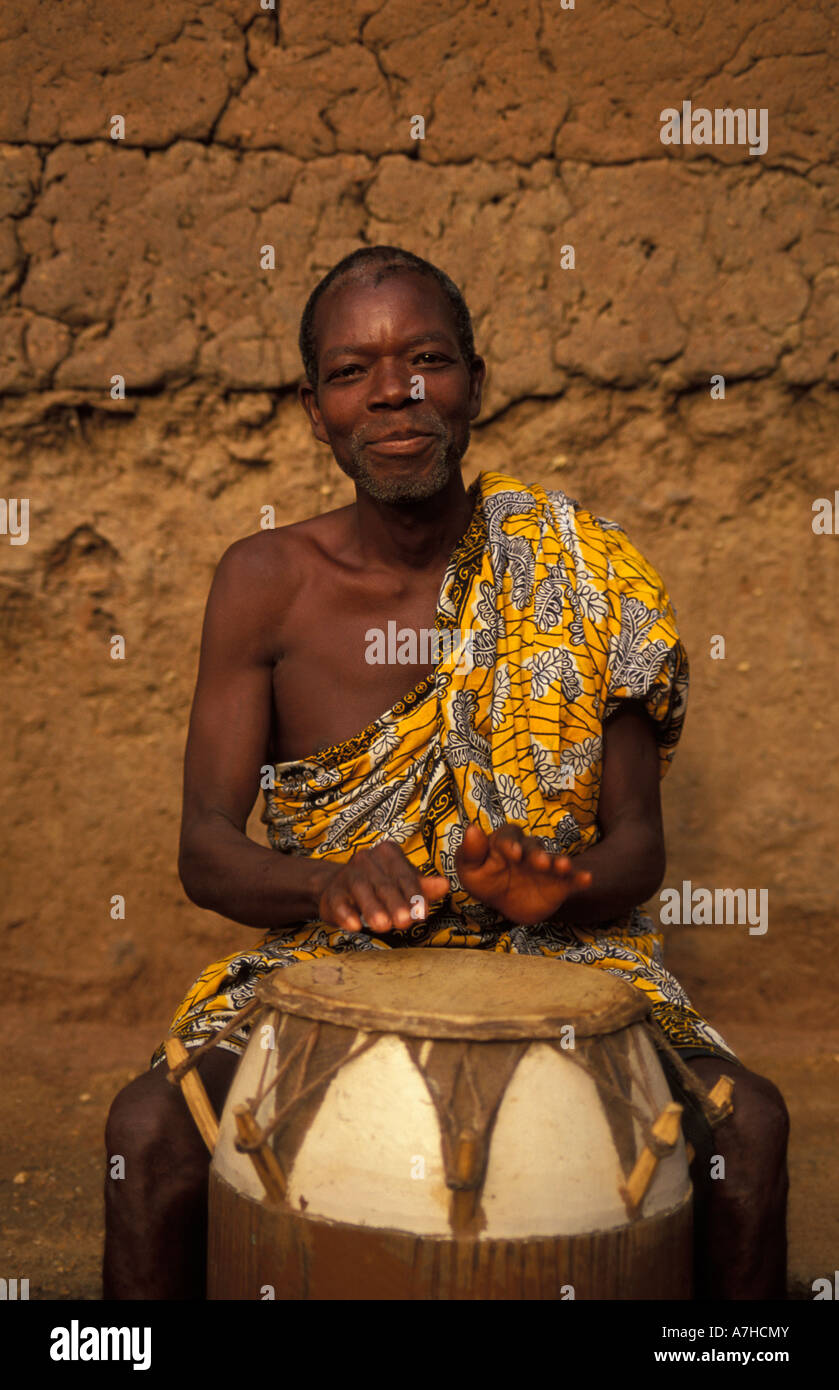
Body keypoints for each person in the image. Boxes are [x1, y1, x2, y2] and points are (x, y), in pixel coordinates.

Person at [103, 245, 788, 1301]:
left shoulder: (582, 570)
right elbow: (204, 847)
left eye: (427, 357)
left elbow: (638, 849)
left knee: (750, 1130)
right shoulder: (264, 580)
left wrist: (559, 888)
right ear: (313, 407)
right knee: (147, 1128)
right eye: (350, 370)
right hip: (322, 967)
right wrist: (322, 884)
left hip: (563, 969)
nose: (394, 390)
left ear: (474, 379)